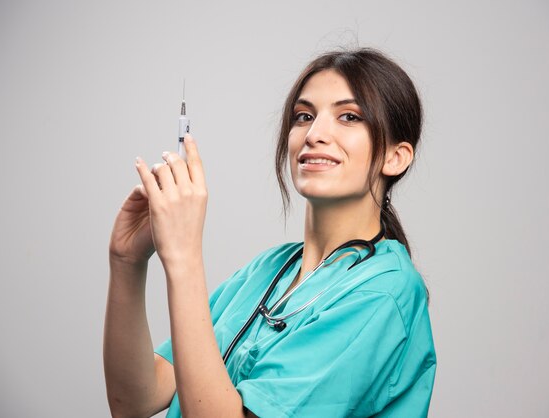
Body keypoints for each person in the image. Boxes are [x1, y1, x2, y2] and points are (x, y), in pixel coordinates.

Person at [103, 48, 436, 418]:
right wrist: (128, 262)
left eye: (349, 116)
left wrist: (182, 256)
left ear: (396, 157)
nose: (314, 134)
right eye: (304, 116)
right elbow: (136, 400)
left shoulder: (384, 293)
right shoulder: (269, 269)